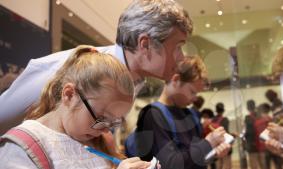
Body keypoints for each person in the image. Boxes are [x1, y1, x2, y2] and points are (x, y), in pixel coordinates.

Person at [0, 46, 155, 169]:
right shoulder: (20, 148)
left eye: (114, 123)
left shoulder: (98, 141)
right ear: (69, 94)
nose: (105, 130)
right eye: (101, 118)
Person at [0, 0, 193, 135]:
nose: (182, 57)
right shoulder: (65, 70)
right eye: (178, 47)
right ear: (145, 44)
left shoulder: (134, 83)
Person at [134, 56, 231, 169]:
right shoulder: (153, 115)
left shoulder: (191, 114)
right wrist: (208, 143)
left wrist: (215, 153)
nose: (194, 98)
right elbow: (170, 165)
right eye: (192, 92)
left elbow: (196, 158)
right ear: (176, 80)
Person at [213, 102, 233, 169]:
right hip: (226, 149)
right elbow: (226, 134)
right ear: (223, 110)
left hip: (217, 149)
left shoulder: (213, 120)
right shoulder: (225, 120)